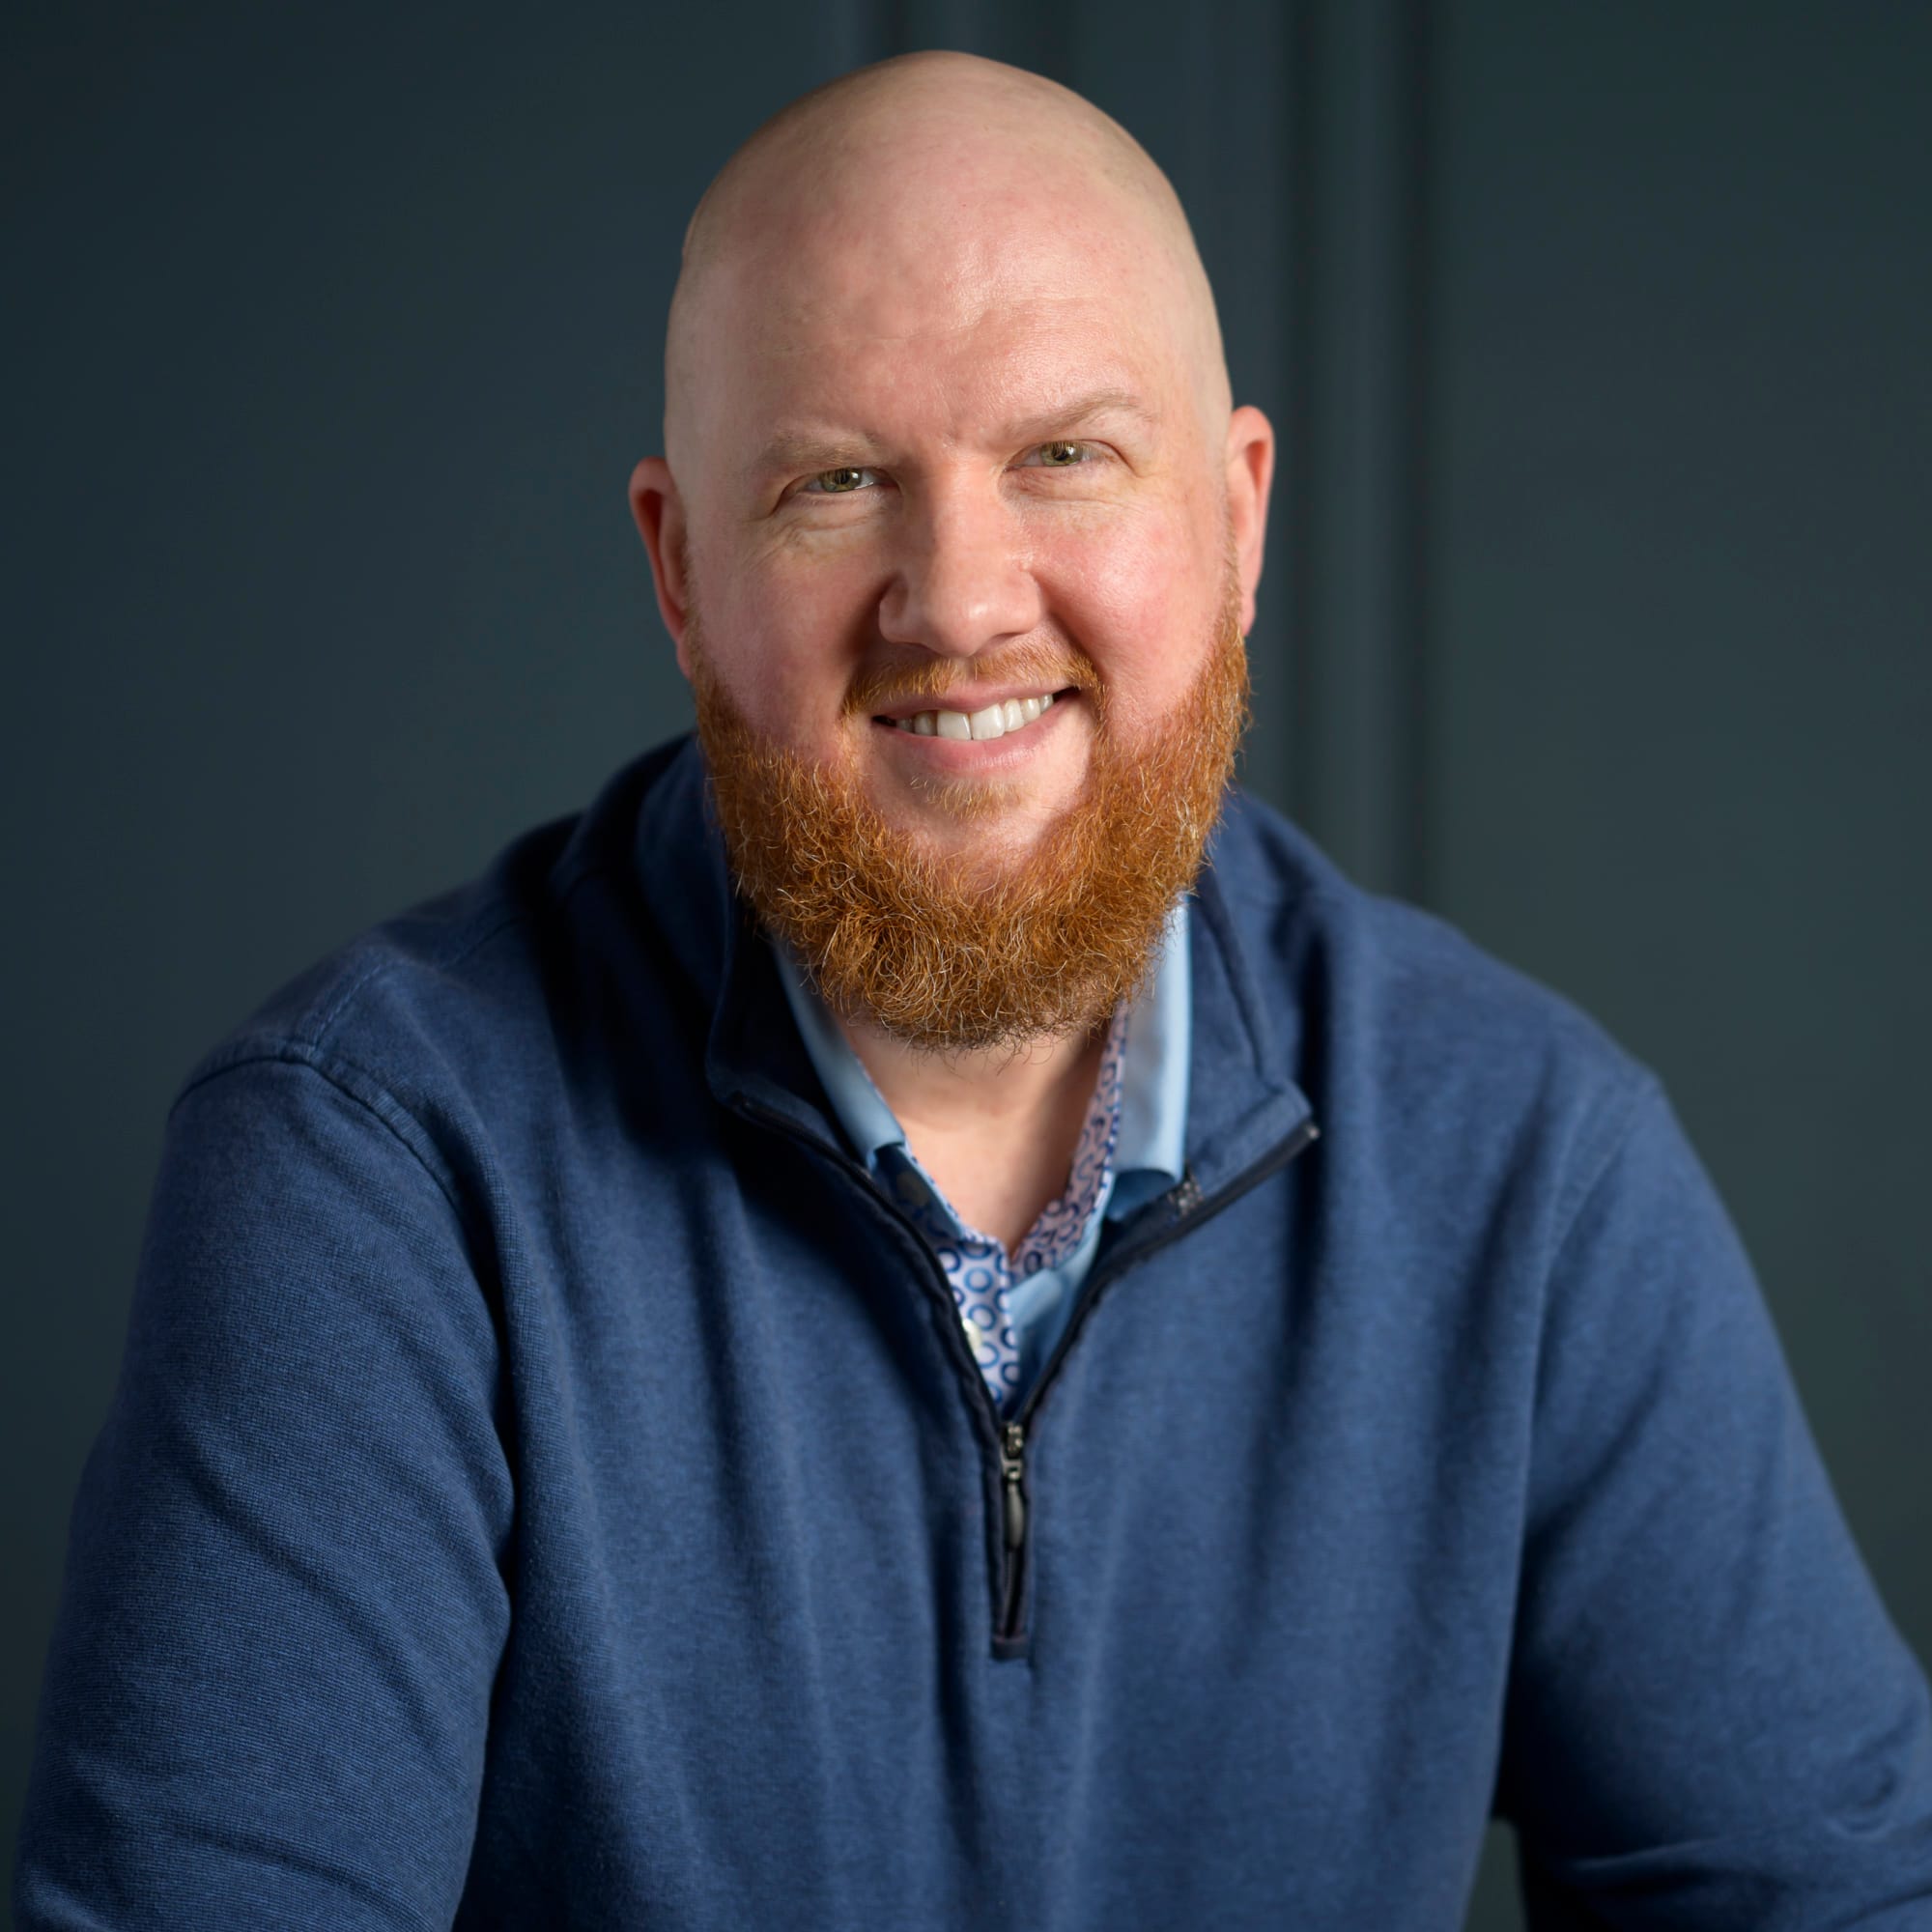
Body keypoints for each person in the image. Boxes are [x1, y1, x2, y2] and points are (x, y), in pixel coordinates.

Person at [15, 48, 1932, 1931]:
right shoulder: (375, 1174)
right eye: (838, 481)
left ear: (1240, 519)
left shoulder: (1524, 1163)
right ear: (679, 574)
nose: (958, 597)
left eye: (1062, 458)